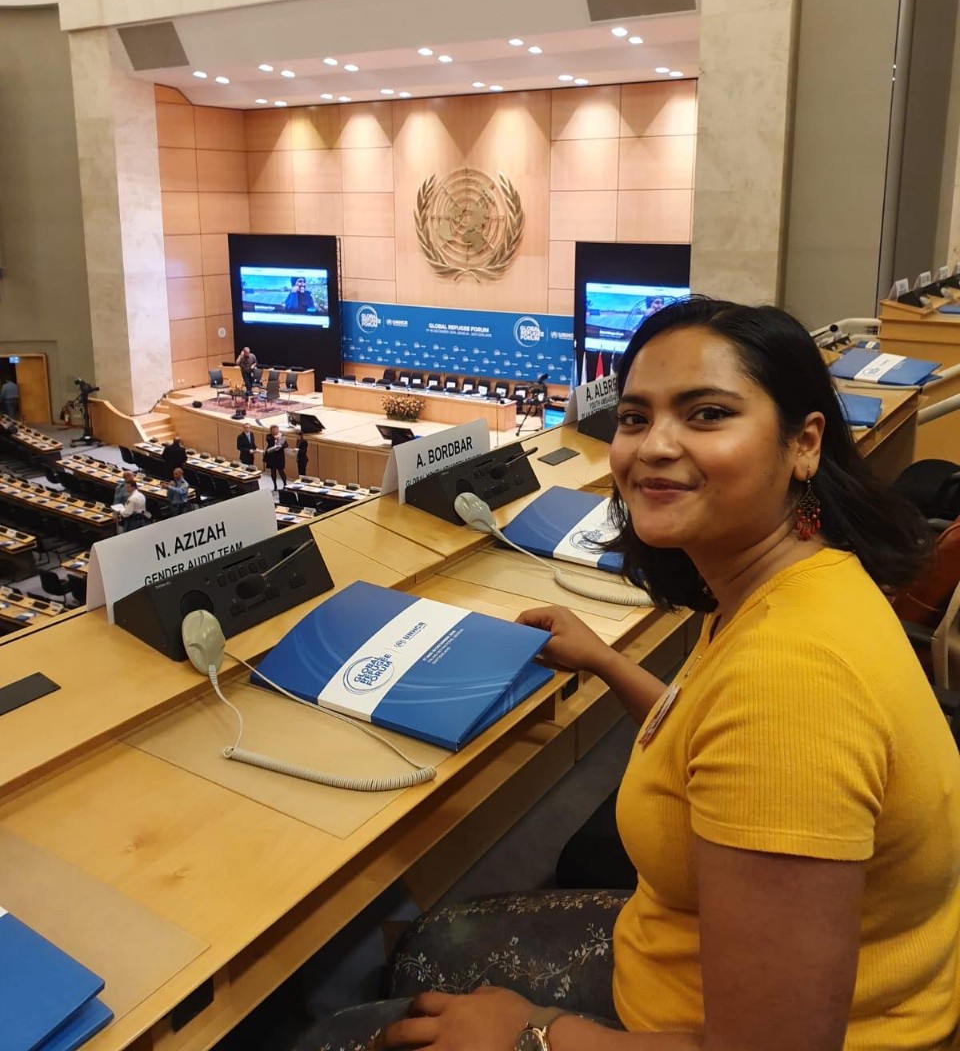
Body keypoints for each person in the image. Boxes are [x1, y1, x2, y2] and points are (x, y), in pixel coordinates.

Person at [308, 296, 960, 1051]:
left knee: (341, 1037)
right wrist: (608, 662)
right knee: (429, 945)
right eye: (635, 417)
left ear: (804, 444)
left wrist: (532, 1034)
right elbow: (710, 742)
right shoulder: (794, 579)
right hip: (682, 959)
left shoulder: (792, 685)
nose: (654, 446)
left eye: (707, 414)